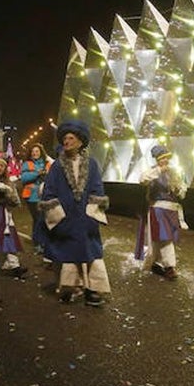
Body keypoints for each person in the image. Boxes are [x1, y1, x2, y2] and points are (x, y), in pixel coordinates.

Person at [39, 120, 110, 306]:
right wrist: (57, 215)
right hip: (66, 217)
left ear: (80, 142)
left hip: (86, 217)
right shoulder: (56, 166)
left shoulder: (92, 164)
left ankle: (93, 289)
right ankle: (70, 288)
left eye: (71, 138)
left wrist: (93, 212)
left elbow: (97, 188)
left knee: (91, 251)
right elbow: (49, 191)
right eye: (64, 138)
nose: (66, 141)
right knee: (67, 252)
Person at [134, 144, 187, 281]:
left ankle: (155, 262)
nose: (165, 161)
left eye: (166, 158)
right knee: (164, 237)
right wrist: (158, 171)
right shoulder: (152, 172)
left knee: (162, 238)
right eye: (162, 158)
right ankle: (169, 267)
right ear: (157, 160)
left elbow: (182, 189)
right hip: (157, 208)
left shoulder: (173, 172)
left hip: (171, 209)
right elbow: (142, 180)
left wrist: (179, 190)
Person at [0, 153, 28, 278]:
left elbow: (15, 200)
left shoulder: (8, 182)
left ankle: (14, 264)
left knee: (9, 237)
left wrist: (9, 196)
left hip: (5, 214)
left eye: (2, 165)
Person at [18, 143, 51, 253]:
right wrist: (38, 173)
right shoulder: (27, 164)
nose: (34, 153)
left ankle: (44, 241)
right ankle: (38, 243)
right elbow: (24, 178)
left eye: (37, 151)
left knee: (45, 219)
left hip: (46, 196)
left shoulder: (48, 164)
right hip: (32, 197)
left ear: (41, 152)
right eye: (33, 151)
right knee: (38, 219)